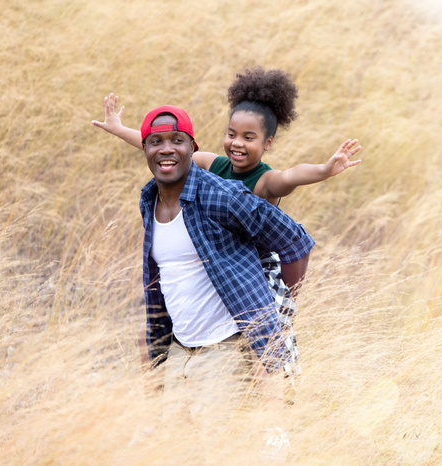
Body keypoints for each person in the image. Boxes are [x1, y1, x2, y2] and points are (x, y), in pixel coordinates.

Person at [92, 67, 361, 381]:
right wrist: (118, 128)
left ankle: (275, 418)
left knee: (266, 350)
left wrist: (325, 170)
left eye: (249, 138)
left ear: (268, 143)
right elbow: (167, 150)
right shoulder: (213, 163)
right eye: (231, 134)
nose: (237, 144)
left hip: (255, 269)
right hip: (220, 263)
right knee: (147, 334)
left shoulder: (264, 180)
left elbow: (291, 176)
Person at [135, 104, 314, 444]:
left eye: (177, 140)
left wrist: (282, 302)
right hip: (178, 351)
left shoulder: (222, 194)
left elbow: (295, 241)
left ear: (193, 148)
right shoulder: (149, 199)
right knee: (174, 451)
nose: (167, 148)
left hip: (223, 352)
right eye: (156, 141)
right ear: (144, 149)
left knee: (222, 453)